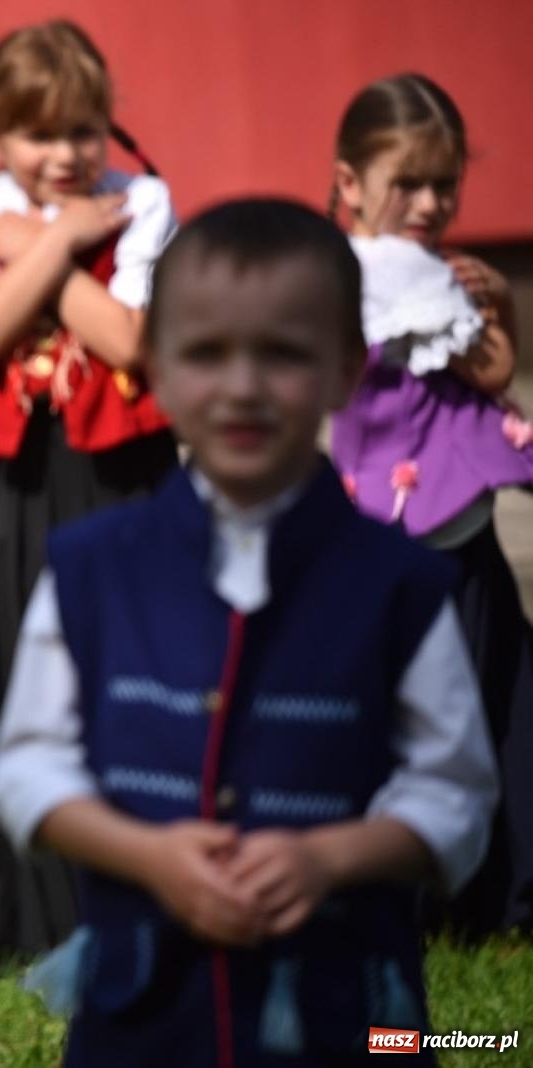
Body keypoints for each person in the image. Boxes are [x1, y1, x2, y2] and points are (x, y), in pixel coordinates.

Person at [0, 198, 497, 1065]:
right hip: (143, 1011)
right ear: (155, 368)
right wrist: (146, 856)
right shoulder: (89, 569)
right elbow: (28, 765)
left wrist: (331, 858)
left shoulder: (400, 583)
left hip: (347, 1007)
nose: (243, 387)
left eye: (284, 354)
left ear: (346, 369)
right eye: (206, 354)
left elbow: (455, 789)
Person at [0, 18, 179, 962]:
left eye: (83, 130)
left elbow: (131, 342)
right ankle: (12, 920)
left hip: (119, 476)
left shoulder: (143, 201)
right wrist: (63, 241)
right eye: (39, 134)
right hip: (9, 479)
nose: (66, 154)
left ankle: (121, 906)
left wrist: (48, 244)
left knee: (119, 682)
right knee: (2, 676)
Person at [328, 72, 533, 936]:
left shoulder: (346, 270)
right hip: (419, 540)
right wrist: (501, 305)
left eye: (444, 183)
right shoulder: (395, 275)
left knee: (487, 702)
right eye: (406, 182)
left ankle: (456, 900)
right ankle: (461, 900)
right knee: (465, 713)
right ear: (349, 183)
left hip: (440, 530)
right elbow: (493, 370)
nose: (428, 203)